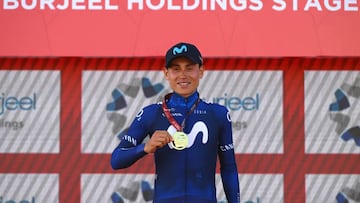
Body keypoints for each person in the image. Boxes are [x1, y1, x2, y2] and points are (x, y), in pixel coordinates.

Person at [111, 42, 240, 203]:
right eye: (176, 69)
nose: (182, 75)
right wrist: (145, 147)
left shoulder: (218, 114)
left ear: (201, 71)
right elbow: (116, 160)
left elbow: (229, 168)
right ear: (166, 73)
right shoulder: (151, 113)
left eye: (189, 68)